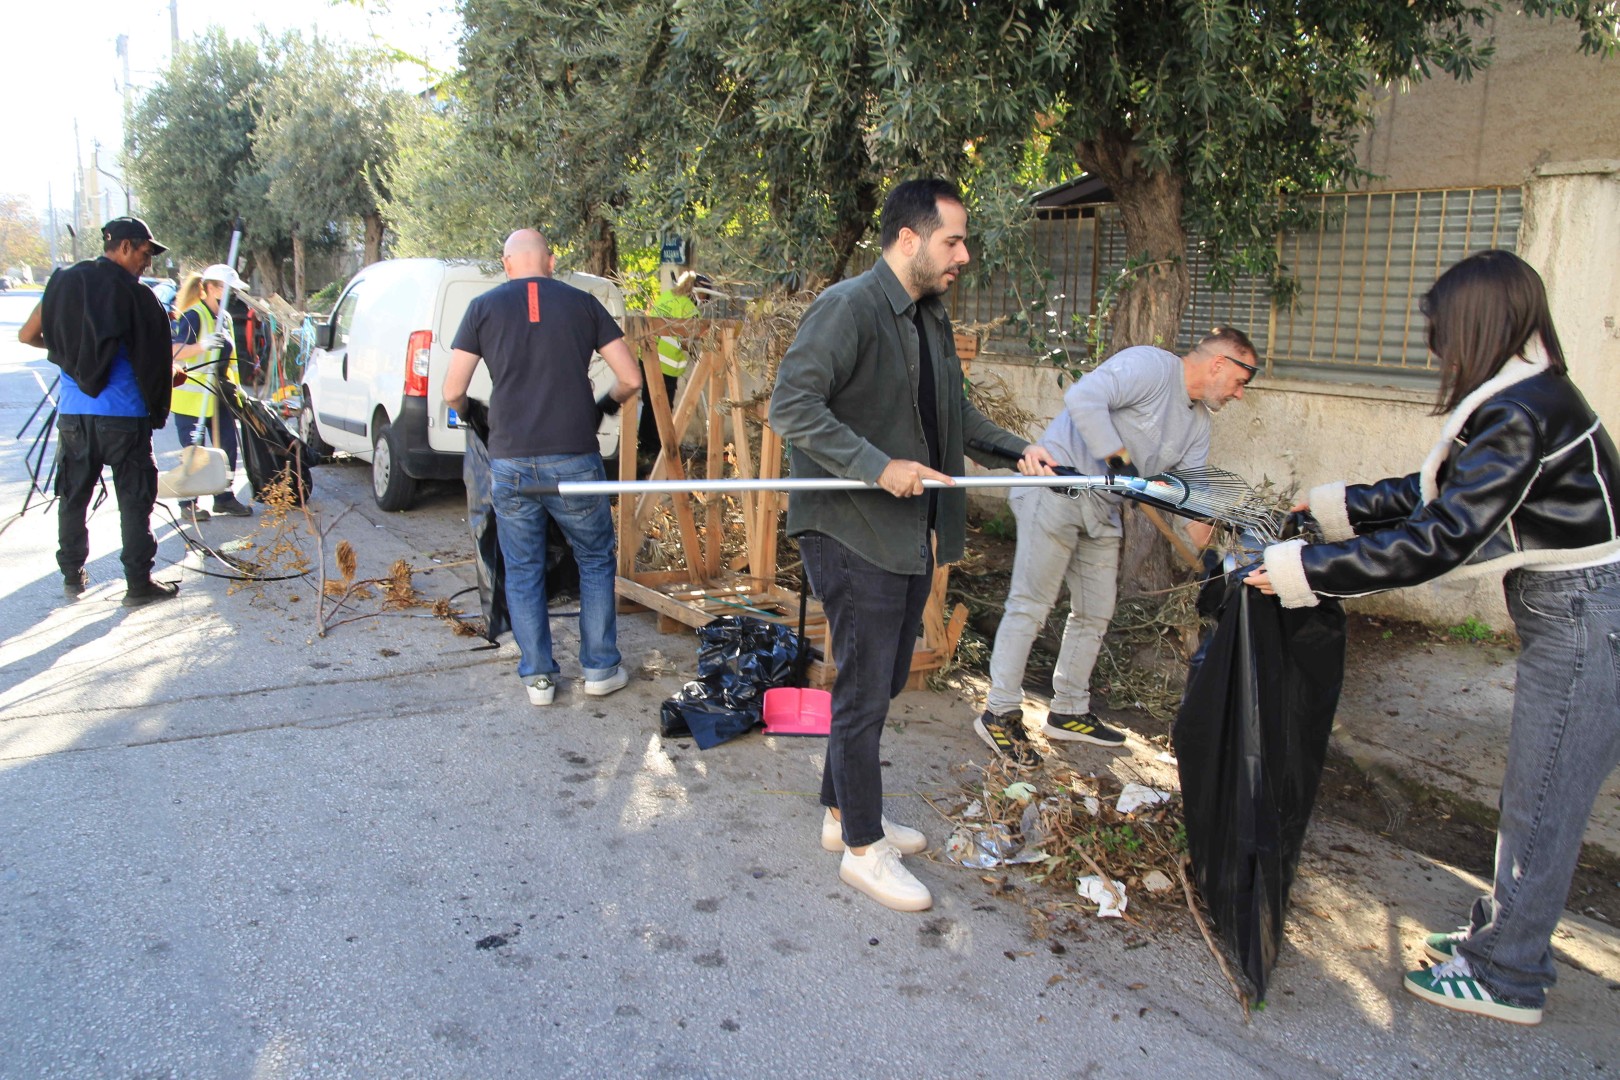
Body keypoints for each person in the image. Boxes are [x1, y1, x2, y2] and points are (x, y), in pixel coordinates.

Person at [1246, 249, 1620, 1026]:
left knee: (1544, 799)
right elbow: (1439, 495)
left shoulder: (1521, 412)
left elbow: (1439, 538)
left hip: (1587, 618)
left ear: (1478, 325)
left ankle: (1507, 974)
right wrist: (1339, 508)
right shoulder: (1530, 394)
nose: (1438, 352)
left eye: (1443, 333)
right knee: (1535, 793)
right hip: (1579, 610)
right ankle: (1502, 938)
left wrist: (1303, 570)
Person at [769, 179, 1057, 912]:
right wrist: (877, 465)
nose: (964, 256)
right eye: (952, 241)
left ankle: (843, 813)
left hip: (906, 530)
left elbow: (951, 414)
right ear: (908, 239)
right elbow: (791, 406)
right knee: (865, 688)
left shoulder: (928, 315)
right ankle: (864, 851)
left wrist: (1016, 450)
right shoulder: (848, 307)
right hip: (850, 527)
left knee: (886, 677)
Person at [978, 329, 1258, 765]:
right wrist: (1121, 462)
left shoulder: (1198, 424)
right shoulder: (1150, 366)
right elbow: (1083, 397)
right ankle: (999, 712)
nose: (1239, 394)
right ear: (1219, 363)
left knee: (1095, 611)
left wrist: (1214, 554)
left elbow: (1189, 497)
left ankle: (1068, 710)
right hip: (1055, 486)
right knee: (1031, 604)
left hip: (1103, 506)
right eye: (1241, 382)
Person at [443, 229, 643, 705]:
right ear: (550, 262)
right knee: (594, 558)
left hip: (510, 461)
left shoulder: (482, 308)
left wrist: (473, 415)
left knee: (522, 566)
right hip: (574, 457)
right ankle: (600, 669)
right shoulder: (583, 304)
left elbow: (452, 391)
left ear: (506, 263)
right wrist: (603, 405)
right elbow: (631, 378)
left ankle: (538, 678)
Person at [19, 217, 179, 606]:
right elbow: (155, 364)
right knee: (134, 499)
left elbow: (27, 335)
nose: (147, 263)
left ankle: (72, 574)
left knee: (73, 495)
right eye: (145, 253)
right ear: (124, 246)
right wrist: (172, 379)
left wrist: (69, 352)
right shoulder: (137, 295)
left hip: (74, 416)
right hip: (124, 415)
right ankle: (138, 584)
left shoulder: (61, 283)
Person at [169, 263, 254, 518]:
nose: (232, 294)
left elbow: (231, 359)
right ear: (211, 288)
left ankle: (224, 498)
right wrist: (202, 345)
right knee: (194, 452)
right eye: (228, 289)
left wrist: (237, 389)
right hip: (192, 398)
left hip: (219, 395)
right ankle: (188, 504)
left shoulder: (224, 318)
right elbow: (174, 351)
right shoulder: (194, 315)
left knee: (226, 448)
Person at [637, 270, 701, 466]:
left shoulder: (665, 297)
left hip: (647, 356)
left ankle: (645, 448)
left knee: (649, 404)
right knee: (663, 407)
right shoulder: (689, 307)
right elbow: (690, 338)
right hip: (667, 364)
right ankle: (659, 450)